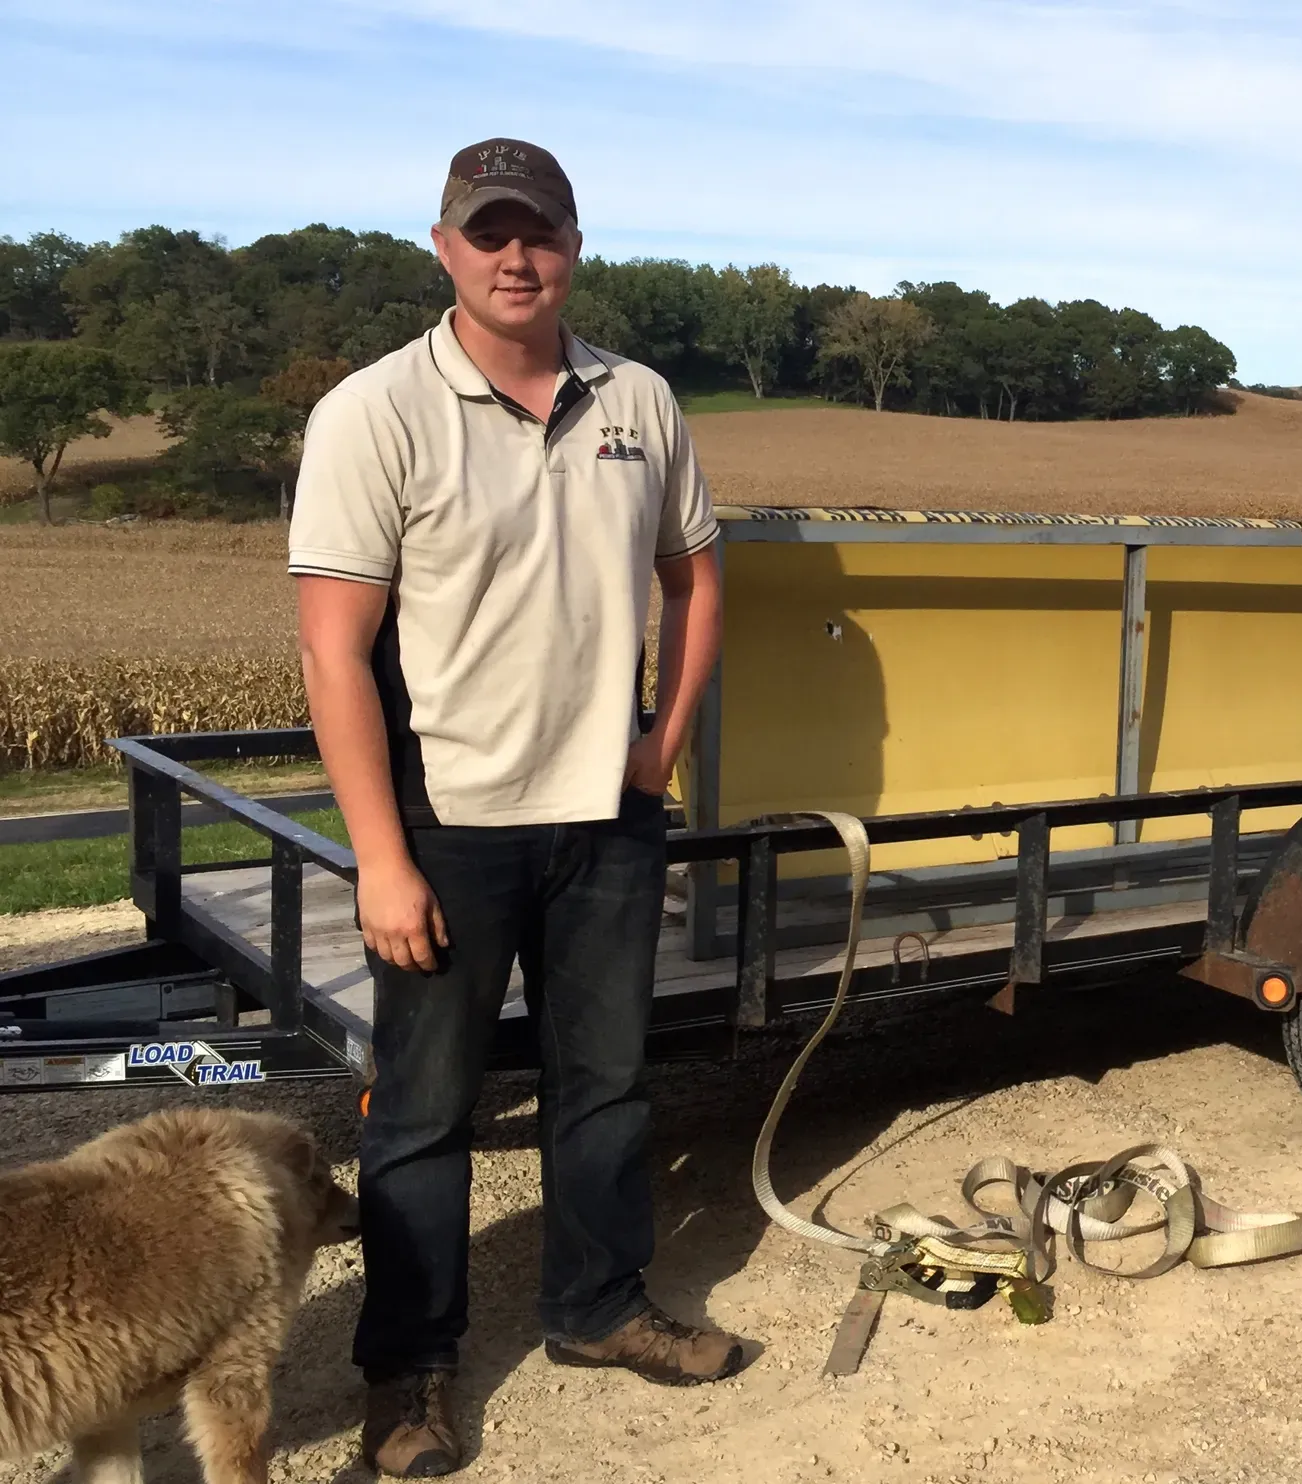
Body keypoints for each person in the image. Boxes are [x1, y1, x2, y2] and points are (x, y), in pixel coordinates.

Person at [288, 138, 735, 1478]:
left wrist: (662, 744)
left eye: (538, 229)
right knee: (424, 1112)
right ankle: (411, 1373)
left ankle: (599, 1311)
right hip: (448, 822)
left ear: (575, 243)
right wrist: (380, 853)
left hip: (607, 816)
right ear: (443, 249)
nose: (516, 255)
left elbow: (699, 581)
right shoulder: (375, 413)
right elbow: (331, 649)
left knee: (603, 1089)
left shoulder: (639, 401)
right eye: (489, 233)